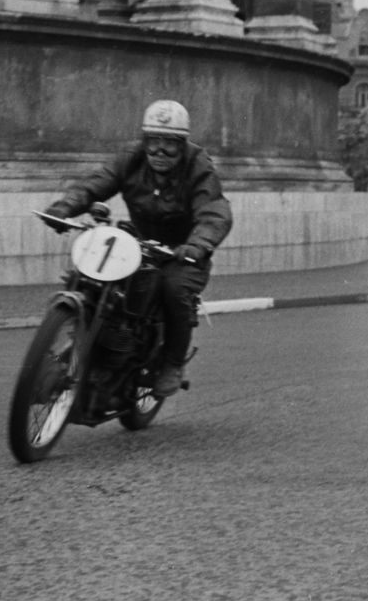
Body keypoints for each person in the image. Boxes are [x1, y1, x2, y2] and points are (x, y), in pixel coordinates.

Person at [44, 100, 233, 398]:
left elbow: (214, 210)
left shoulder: (198, 166)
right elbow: (97, 183)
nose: (159, 151)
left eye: (169, 144)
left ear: (182, 145)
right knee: (90, 278)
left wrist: (197, 245)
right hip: (140, 243)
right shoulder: (131, 157)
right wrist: (65, 207)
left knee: (173, 290)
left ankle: (171, 363)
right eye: (153, 141)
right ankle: (82, 344)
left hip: (183, 253)